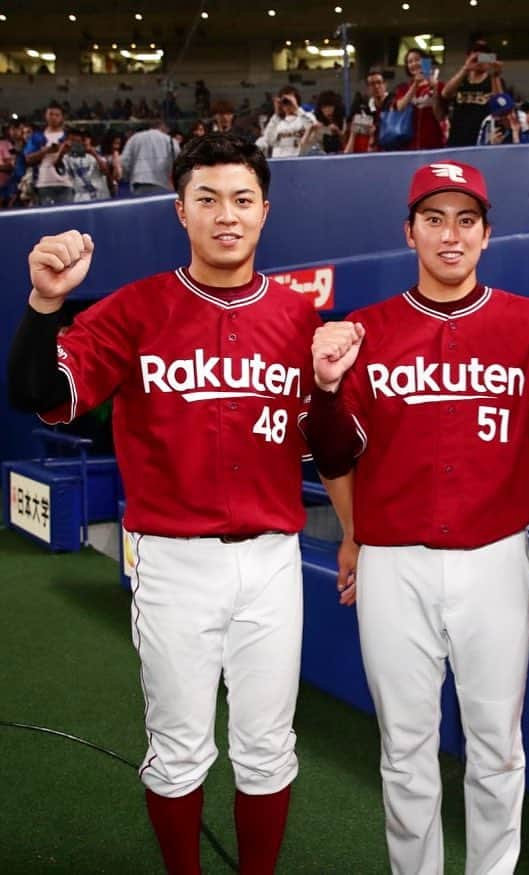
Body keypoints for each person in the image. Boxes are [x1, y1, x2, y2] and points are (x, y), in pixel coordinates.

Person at [6, 133, 320, 874]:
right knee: (179, 746)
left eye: (241, 199)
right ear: (180, 210)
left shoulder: (299, 318)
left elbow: (334, 442)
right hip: (174, 559)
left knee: (268, 744)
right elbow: (37, 392)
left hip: (274, 557)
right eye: (206, 199)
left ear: (264, 211)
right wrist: (46, 302)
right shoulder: (136, 310)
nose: (226, 215)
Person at [304, 160, 529, 875]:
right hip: (393, 561)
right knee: (405, 746)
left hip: (494, 556)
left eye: (467, 220)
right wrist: (325, 392)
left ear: (486, 234)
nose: (451, 234)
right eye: (435, 219)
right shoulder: (364, 330)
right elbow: (332, 450)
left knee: (497, 744)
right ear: (409, 231)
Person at [442, 40, 506, 147]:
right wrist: (466, 68)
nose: (480, 61)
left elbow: (499, 106)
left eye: (484, 57)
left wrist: (495, 75)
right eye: (476, 57)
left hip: (481, 139)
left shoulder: (493, 80)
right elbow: (445, 93)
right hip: (457, 139)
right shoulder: (461, 79)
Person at [393, 49, 446, 150]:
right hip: (409, 145)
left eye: (417, 60)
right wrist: (415, 85)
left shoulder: (439, 86)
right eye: (410, 62)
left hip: (434, 144)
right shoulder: (403, 88)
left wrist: (434, 89)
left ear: (426, 62)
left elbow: (440, 116)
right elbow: (399, 108)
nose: (414, 64)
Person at [23, 102, 73, 206]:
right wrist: (46, 151)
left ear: (62, 117)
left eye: (57, 115)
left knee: (67, 217)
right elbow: (28, 159)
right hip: (44, 183)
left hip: (67, 182)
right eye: (50, 114)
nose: (53, 117)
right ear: (45, 116)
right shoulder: (37, 137)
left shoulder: (70, 136)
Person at [257, 85, 317, 157]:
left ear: (297, 100)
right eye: (284, 102)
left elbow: (313, 128)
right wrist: (277, 114)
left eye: (290, 101)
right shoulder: (276, 121)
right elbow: (269, 140)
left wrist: (297, 109)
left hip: (300, 159)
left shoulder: (306, 116)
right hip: (280, 160)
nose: (287, 104)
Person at [121, 119, 177, 195]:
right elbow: (178, 163)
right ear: (164, 126)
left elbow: (124, 162)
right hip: (163, 183)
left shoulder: (135, 138)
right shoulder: (169, 140)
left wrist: (127, 177)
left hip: (139, 183)